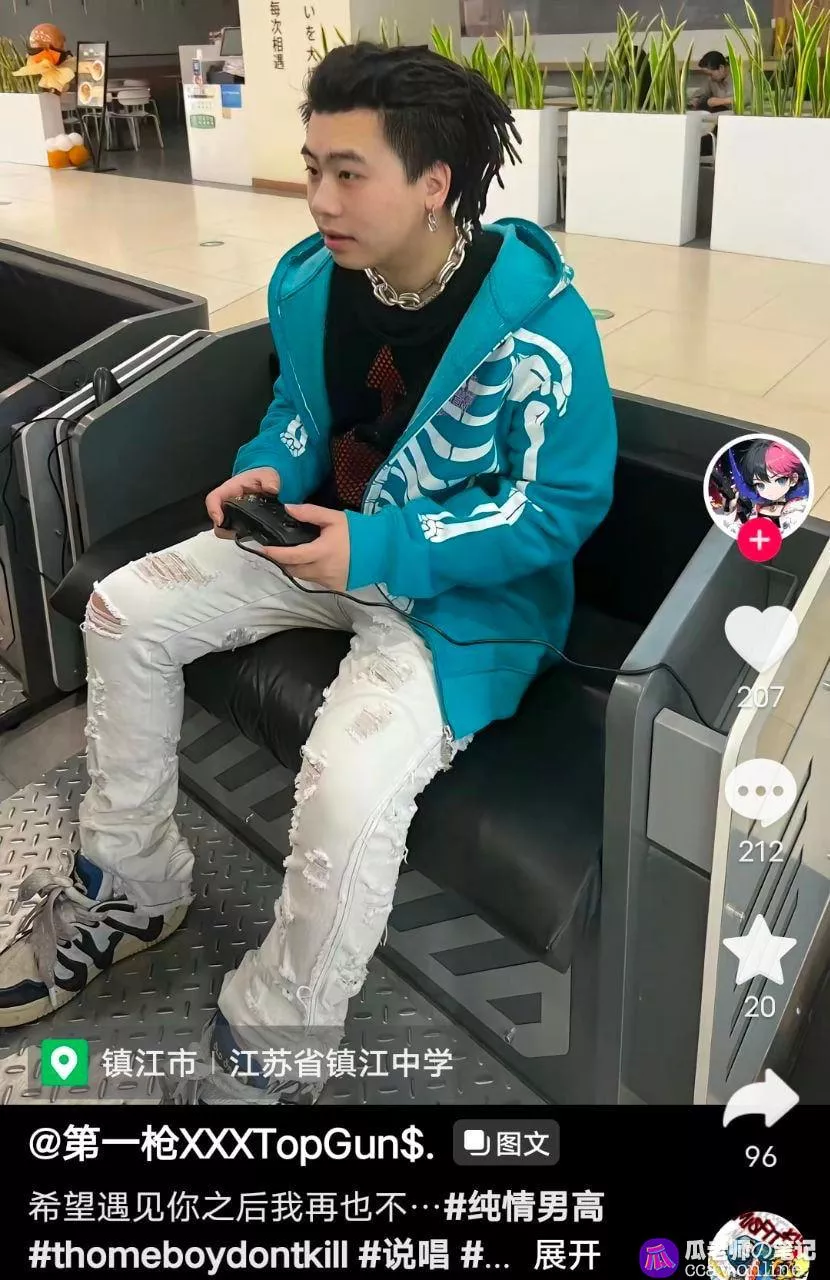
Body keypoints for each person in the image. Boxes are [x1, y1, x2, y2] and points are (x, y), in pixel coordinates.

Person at [0, 42, 617, 1103]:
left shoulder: (538, 329)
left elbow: (555, 506)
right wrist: (267, 471)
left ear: (433, 184)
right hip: (309, 543)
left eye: (349, 173)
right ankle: (132, 887)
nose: (319, 197)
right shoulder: (313, 282)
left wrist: (376, 549)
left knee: (347, 786)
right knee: (123, 609)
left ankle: (275, 1043)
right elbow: (299, 407)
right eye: (312, 166)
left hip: (452, 600)